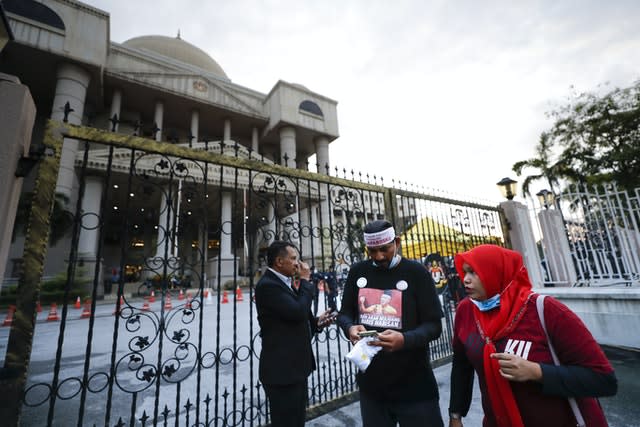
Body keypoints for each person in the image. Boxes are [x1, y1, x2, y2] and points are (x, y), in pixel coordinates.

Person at [448, 244, 617, 427]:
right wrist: (455, 415)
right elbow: (461, 366)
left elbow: (604, 380)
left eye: (474, 272)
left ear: (495, 271)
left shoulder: (544, 310)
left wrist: (537, 372)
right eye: (464, 272)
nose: (465, 280)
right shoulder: (466, 311)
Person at [337, 220, 445, 427]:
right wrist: (349, 327)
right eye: (372, 251)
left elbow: (434, 325)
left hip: (415, 385)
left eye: (384, 249)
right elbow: (344, 313)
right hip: (372, 387)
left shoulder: (416, 273)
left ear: (396, 242)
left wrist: (404, 339)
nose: (378, 256)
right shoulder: (358, 271)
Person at [254, 240, 335, 427]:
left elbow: (292, 319)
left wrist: (316, 323)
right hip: (282, 373)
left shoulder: (284, 282)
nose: (298, 264)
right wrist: (306, 281)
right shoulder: (268, 286)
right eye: (293, 258)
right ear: (279, 262)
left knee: (297, 420)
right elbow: (297, 311)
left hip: (294, 369)